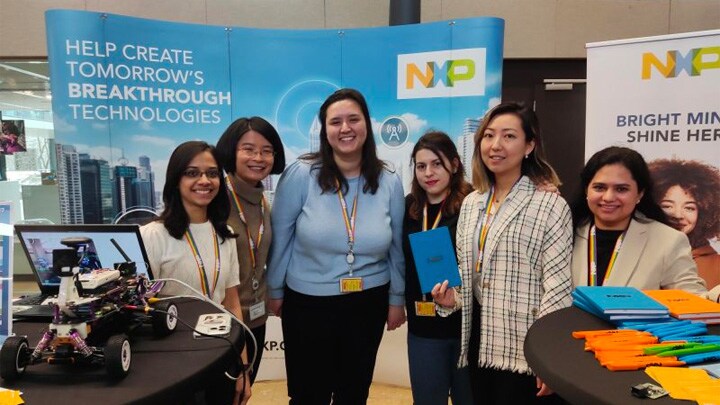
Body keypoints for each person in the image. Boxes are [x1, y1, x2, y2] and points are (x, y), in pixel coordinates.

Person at [267, 88, 405, 404]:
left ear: (366, 124)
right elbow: (281, 238)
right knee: (308, 395)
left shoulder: (388, 180)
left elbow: (397, 246)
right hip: (308, 304)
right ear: (324, 130)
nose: (345, 128)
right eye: (335, 122)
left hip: (368, 302)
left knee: (353, 394)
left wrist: (397, 298)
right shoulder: (302, 174)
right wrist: (274, 289)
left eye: (353, 119)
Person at [432, 102, 573, 404]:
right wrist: (453, 298)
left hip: (525, 347)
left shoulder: (550, 204)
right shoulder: (472, 203)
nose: (496, 145)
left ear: (529, 145)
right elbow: (470, 272)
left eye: (509, 136)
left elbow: (558, 288)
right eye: (489, 135)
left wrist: (549, 357)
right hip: (479, 339)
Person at [140, 141, 251, 405]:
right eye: (192, 173)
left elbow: (232, 304)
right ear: (175, 180)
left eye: (212, 173)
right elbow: (138, 306)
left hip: (219, 352)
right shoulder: (153, 236)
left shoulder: (225, 235)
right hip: (171, 361)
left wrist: (243, 366)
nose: (204, 181)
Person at [569, 146, 706, 295]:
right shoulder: (565, 233)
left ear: (640, 193)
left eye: (621, 189)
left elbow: (691, 295)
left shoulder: (668, 241)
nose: (608, 197)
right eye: (599, 187)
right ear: (586, 190)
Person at [403, 131, 473, 405]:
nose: (428, 173)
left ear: (454, 165)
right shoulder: (409, 207)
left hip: (466, 329)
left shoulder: (473, 204)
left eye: (437, 164)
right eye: (421, 166)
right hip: (423, 328)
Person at [216, 116, 286, 384]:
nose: (258, 158)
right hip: (221, 322)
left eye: (267, 151)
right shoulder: (215, 199)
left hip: (256, 317)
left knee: (244, 390)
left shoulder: (263, 201)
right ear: (231, 151)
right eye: (248, 149)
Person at [648, 158, 720, 288]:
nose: (678, 215)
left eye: (689, 208)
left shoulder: (717, 267)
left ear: (703, 213)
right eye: (667, 206)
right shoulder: (631, 256)